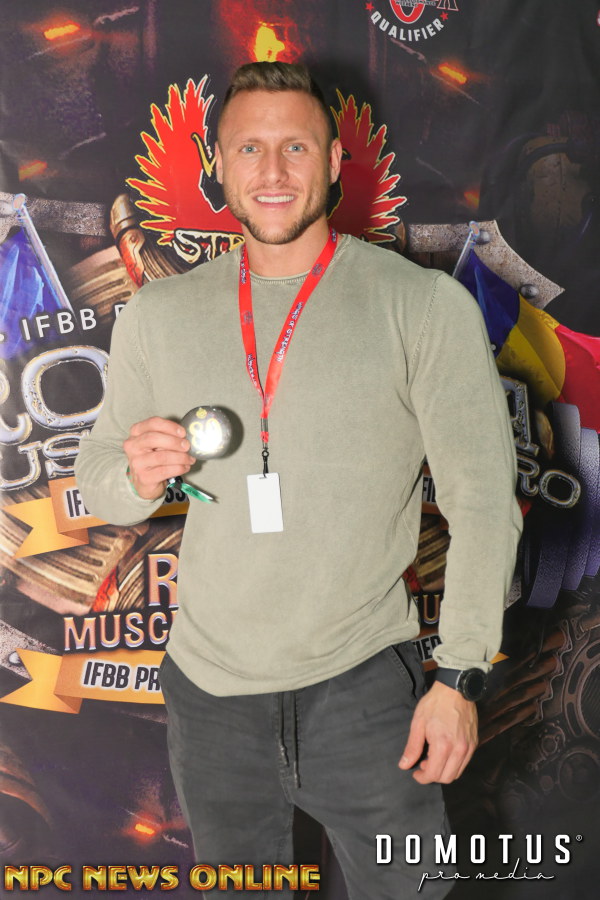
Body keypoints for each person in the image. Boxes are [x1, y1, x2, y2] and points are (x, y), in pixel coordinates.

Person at [75, 61, 522, 898]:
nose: (273, 171)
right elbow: (99, 477)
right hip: (209, 700)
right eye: (250, 148)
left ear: (335, 161)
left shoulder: (420, 306)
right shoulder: (159, 314)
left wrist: (462, 675)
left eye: (297, 147)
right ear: (218, 165)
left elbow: (485, 504)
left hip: (363, 690)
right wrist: (134, 474)